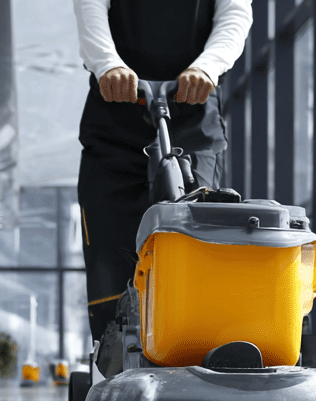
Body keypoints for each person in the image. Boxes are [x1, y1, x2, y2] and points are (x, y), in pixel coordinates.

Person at [73, 0, 252, 345]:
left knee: (195, 226)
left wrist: (207, 68)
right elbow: (90, 8)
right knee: (108, 235)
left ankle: (192, 340)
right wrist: (108, 64)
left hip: (193, 111)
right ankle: (112, 347)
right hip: (115, 110)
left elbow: (235, 14)